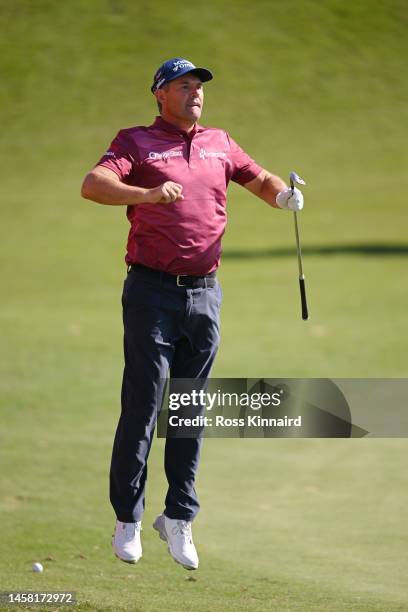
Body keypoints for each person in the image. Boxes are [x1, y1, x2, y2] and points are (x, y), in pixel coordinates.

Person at [81, 57, 304, 570]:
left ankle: (178, 518)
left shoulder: (219, 142)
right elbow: (92, 185)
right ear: (159, 94)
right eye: (183, 86)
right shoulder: (135, 142)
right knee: (143, 404)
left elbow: (259, 178)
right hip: (150, 292)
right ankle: (128, 519)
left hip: (204, 296)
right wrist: (146, 194)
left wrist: (285, 196)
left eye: (199, 86)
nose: (195, 93)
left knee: (188, 409)